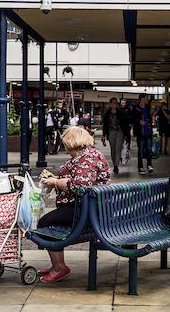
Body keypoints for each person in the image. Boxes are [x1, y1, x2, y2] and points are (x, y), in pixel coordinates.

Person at [36, 126, 111, 283]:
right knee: (50, 221)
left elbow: (80, 187)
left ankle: (59, 267)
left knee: (45, 223)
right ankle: (57, 265)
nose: (66, 149)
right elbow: (76, 178)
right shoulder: (90, 154)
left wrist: (56, 182)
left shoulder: (86, 159)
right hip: (89, 208)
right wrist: (55, 179)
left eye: (66, 145)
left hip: (86, 212)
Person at [101, 97, 125, 173]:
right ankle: (115, 163)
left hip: (119, 132)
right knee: (113, 149)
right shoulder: (107, 114)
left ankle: (116, 165)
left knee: (118, 149)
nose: (115, 104)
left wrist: (126, 135)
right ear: (110, 104)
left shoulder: (120, 112)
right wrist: (104, 135)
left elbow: (125, 124)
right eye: (113, 103)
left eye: (116, 103)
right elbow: (104, 125)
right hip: (111, 132)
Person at [135, 94, 154, 174]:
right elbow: (133, 118)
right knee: (141, 150)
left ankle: (149, 165)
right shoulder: (136, 109)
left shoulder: (148, 108)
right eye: (146, 98)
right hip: (140, 132)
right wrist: (138, 121)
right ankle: (140, 166)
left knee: (149, 149)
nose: (147, 100)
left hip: (148, 131)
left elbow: (149, 118)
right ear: (141, 99)